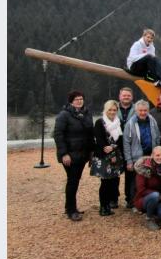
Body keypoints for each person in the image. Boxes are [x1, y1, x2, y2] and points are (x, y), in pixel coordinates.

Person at [53, 90, 95, 221]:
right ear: (71, 101)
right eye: (76, 99)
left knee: (75, 181)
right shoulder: (64, 115)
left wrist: (91, 152)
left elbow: (90, 134)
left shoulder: (87, 114)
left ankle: (70, 207)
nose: (79, 101)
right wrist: (64, 153)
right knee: (72, 181)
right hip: (70, 155)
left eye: (81, 98)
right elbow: (58, 135)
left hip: (83, 154)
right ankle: (71, 210)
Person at [123, 100, 161, 212]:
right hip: (137, 156)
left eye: (145, 110)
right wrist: (129, 161)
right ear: (136, 111)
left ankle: (147, 202)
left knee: (149, 179)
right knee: (135, 181)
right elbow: (126, 143)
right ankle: (133, 203)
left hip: (151, 155)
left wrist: (156, 152)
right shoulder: (130, 123)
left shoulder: (152, 121)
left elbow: (157, 136)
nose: (143, 112)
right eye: (140, 110)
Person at [91, 100, 125, 216]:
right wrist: (106, 147)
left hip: (115, 155)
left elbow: (121, 139)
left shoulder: (119, 123)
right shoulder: (100, 122)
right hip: (104, 156)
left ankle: (111, 203)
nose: (112, 112)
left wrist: (113, 147)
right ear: (105, 110)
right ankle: (103, 206)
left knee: (114, 181)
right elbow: (98, 138)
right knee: (105, 182)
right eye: (110, 109)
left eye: (114, 110)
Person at [133, 146, 161, 231]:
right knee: (154, 195)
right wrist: (158, 195)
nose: (160, 157)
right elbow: (141, 189)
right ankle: (149, 218)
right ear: (152, 155)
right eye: (157, 155)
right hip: (144, 198)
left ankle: (154, 213)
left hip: (160, 198)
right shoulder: (143, 168)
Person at [117, 87, 135, 208]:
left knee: (130, 173)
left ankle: (130, 198)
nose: (126, 97)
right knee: (114, 173)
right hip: (116, 145)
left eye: (128, 95)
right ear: (120, 96)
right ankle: (113, 198)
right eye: (124, 95)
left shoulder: (136, 109)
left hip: (131, 144)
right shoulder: (113, 108)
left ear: (132, 97)